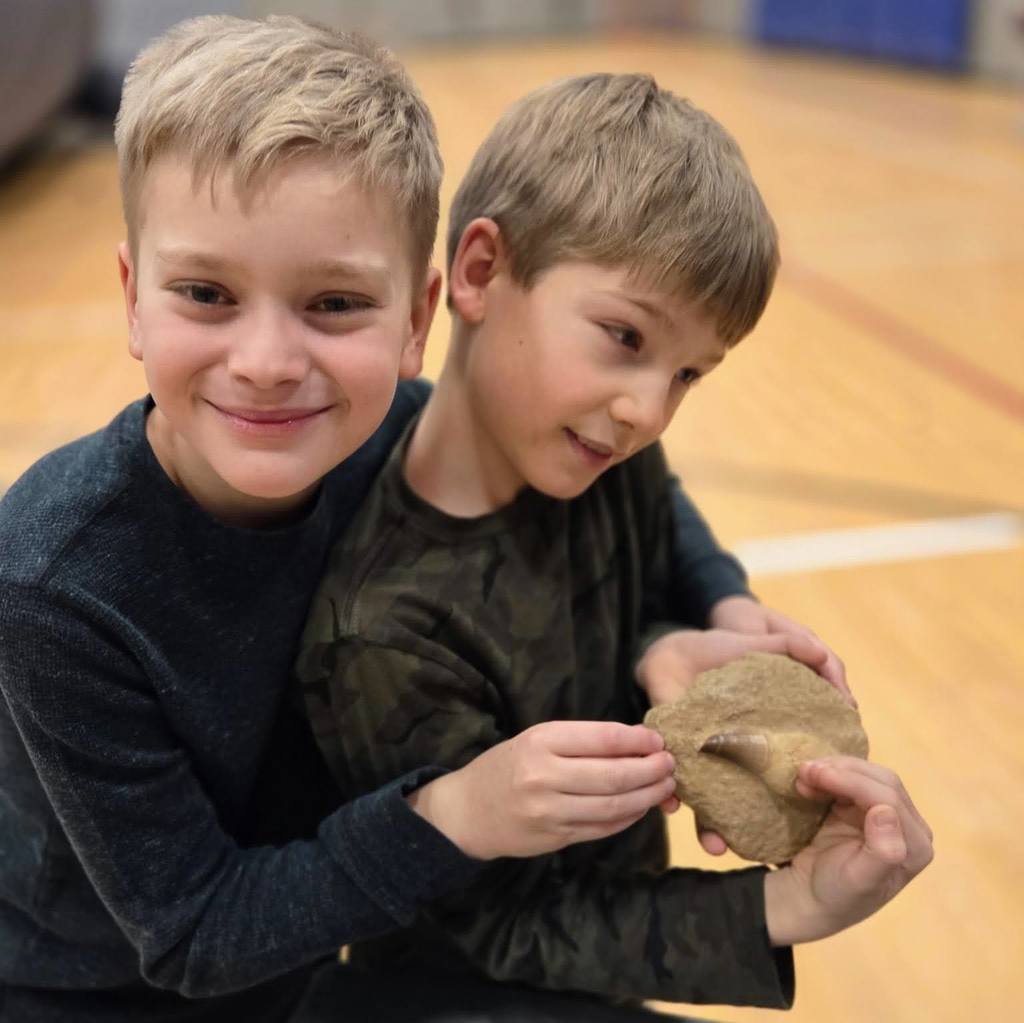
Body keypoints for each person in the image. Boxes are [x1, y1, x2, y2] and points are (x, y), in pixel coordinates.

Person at [0, 18, 708, 1023]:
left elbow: (619, 478)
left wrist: (704, 614)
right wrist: (459, 812)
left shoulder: (389, 434)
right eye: (205, 293)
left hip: (320, 945)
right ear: (132, 299)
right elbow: (193, 933)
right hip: (95, 989)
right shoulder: (55, 582)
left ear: (418, 321)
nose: (267, 361)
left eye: (332, 304)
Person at [294, 72, 934, 1016]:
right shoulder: (385, 629)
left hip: (597, 961)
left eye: (688, 373)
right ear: (478, 274)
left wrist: (701, 617)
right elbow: (508, 924)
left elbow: (668, 518)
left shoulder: (596, 449)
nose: (648, 409)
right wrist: (784, 904)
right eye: (624, 335)